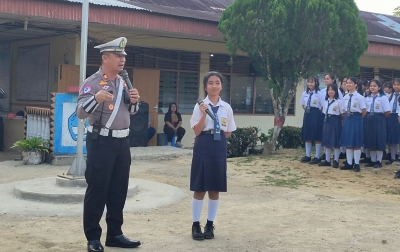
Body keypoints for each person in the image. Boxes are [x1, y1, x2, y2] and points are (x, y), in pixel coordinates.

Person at [76, 37, 141, 252]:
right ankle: (93, 238)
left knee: (118, 190)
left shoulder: (123, 82)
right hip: (101, 142)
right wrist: (96, 98)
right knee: (98, 190)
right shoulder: (92, 82)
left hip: (123, 142)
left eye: (123, 56)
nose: (122, 59)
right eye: (118, 55)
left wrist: (134, 102)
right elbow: (80, 113)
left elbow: (129, 112)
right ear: (105, 58)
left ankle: (115, 233)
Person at [189, 71, 236, 240]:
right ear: (205, 86)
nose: (214, 86)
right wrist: (203, 114)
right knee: (200, 187)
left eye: (217, 82)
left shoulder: (226, 108)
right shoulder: (200, 106)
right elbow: (196, 130)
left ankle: (210, 225)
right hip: (203, 143)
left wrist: (218, 131)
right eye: (210, 83)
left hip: (219, 146)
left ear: (221, 86)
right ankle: (196, 225)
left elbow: (229, 131)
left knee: (215, 187)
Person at [339, 77, 367, 172]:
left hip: (356, 119)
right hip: (348, 118)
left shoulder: (360, 97)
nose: (348, 84)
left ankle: (356, 163)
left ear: (356, 84)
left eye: (350, 83)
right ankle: (349, 163)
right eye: (347, 83)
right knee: (348, 142)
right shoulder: (345, 97)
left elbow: (364, 111)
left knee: (356, 142)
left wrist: (357, 119)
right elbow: (343, 110)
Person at [363, 79, 390, 168]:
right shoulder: (367, 98)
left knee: (379, 139)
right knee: (370, 139)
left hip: (379, 119)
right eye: (371, 86)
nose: (372, 87)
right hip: (369, 119)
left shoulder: (383, 97)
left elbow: (387, 111)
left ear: (379, 87)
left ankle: (378, 161)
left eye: (374, 86)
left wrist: (379, 118)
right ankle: (372, 160)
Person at [300, 76, 325, 164]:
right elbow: (303, 104)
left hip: (317, 114)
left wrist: (317, 114)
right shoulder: (304, 93)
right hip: (307, 114)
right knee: (307, 135)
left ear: (316, 83)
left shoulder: (320, 94)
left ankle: (317, 156)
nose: (310, 84)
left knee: (316, 135)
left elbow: (323, 106)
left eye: (312, 82)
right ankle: (308, 155)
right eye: (308, 82)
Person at [319, 84, 343, 168]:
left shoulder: (339, 101)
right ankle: (327, 160)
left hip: (335, 121)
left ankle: (336, 160)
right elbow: (323, 111)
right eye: (329, 90)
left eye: (332, 90)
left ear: (336, 91)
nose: (330, 91)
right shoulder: (326, 101)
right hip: (327, 121)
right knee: (327, 141)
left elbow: (342, 113)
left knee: (336, 142)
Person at [386, 78, 400, 164]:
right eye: (394, 84)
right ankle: (392, 156)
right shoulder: (390, 96)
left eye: (398, 84)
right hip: (391, 117)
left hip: (398, 116)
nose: (396, 86)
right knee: (392, 137)